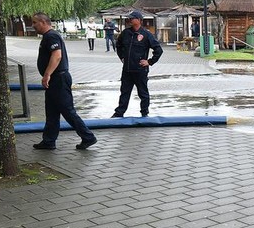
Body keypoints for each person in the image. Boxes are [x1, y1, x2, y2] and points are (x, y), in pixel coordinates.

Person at [30, 12, 97, 151]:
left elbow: (57, 55)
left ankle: (88, 136)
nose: (33, 25)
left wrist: (47, 74)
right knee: (52, 111)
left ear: (43, 22)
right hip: (54, 79)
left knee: (67, 110)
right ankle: (49, 141)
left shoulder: (52, 36)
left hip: (58, 78)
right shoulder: (47, 37)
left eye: (35, 22)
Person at [113, 9, 163, 117]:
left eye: (133, 18)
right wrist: (122, 57)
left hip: (140, 70)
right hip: (127, 70)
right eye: (130, 18)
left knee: (143, 93)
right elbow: (118, 45)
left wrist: (149, 62)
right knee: (124, 92)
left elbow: (158, 50)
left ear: (139, 20)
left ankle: (144, 113)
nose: (130, 20)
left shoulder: (146, 34)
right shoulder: (126, 33)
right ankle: (119, 113)